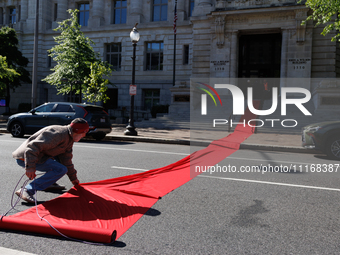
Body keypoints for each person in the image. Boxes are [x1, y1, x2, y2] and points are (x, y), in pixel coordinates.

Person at [12, 118, 89, 203]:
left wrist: (73, 179)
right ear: (77, 131)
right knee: (61, 169)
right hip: (25, 158)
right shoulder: (58, 134)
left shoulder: (69, 138)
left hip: (39, 156)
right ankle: (27, 190)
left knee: (61, 162)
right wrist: (30, 166)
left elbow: (66, 160)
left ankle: (49, 183)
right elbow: (32, 147)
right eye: (84, 133)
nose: (84, 135)